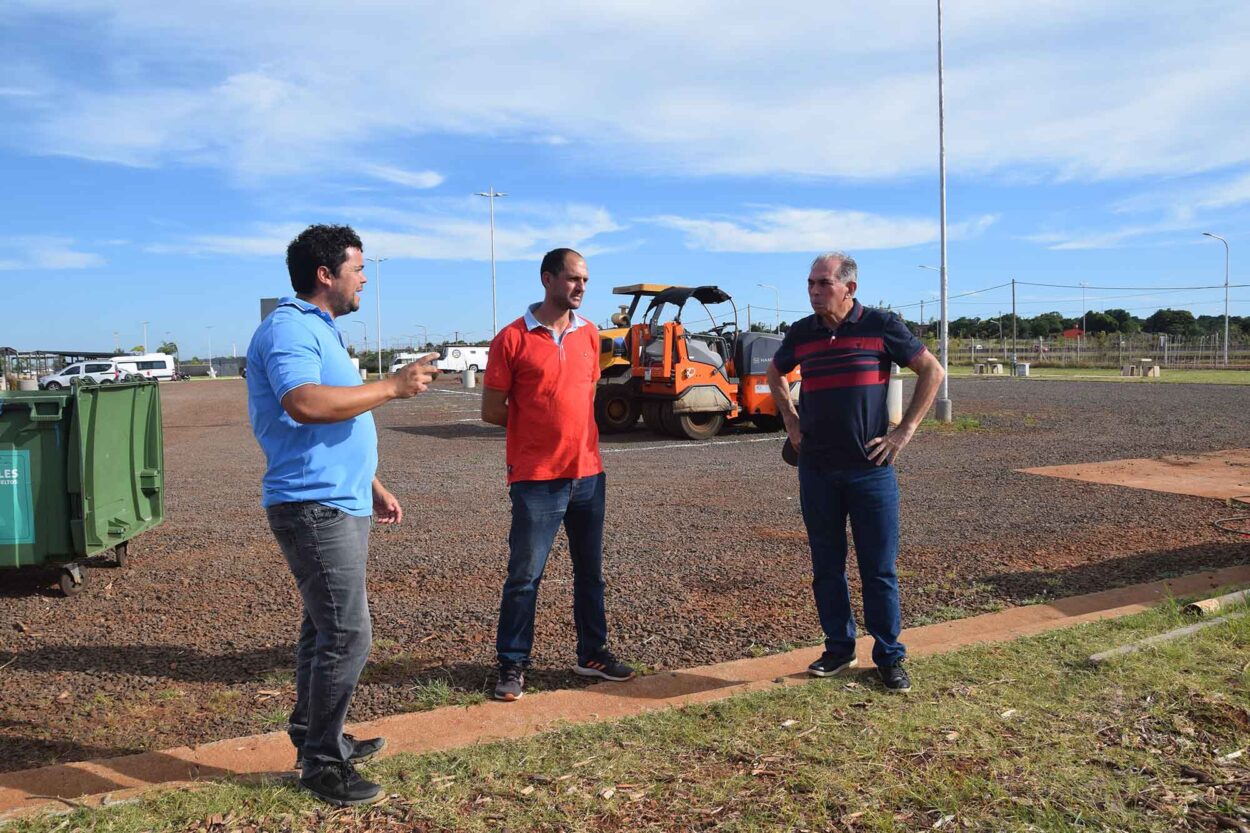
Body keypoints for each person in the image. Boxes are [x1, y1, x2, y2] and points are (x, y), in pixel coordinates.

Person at [246, 224, 437, 805]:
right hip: (313, 505)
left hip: (340, 498)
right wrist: (392, 387)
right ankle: (322, 764)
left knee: (321, 629)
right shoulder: (287, 329)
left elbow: (340, 418)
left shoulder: (320, 330)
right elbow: (303, 403)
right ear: (324, 275)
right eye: (357, 268)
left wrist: (372, 483)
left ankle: (314, 735)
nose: (364, 278)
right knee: (348, 635)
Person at [766, 252, 944, 693]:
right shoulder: (801, 333)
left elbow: (931, 371)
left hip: (870, 472)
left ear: (850, 288)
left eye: (823, 283)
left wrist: (904, 433)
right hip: (817, 471)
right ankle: (839, 648)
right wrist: (790, 420)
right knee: (826, 565)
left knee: (877, 568)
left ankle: (888, 656)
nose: (813, 291)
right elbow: (774, 371)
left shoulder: (880, 325)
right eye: (810, 283)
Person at [481, 247, 635, 702]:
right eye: (572, 279)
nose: (581, 287)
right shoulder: (511, 338)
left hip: (588, 474)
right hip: (536, 478)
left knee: (591, 572)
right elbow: (492, 411)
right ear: (547, 279)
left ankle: (592, 654)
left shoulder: (591, 336)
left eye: (585, 280)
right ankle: (512, 664)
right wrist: (540, 430)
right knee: (525, 576)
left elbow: (583, 396)